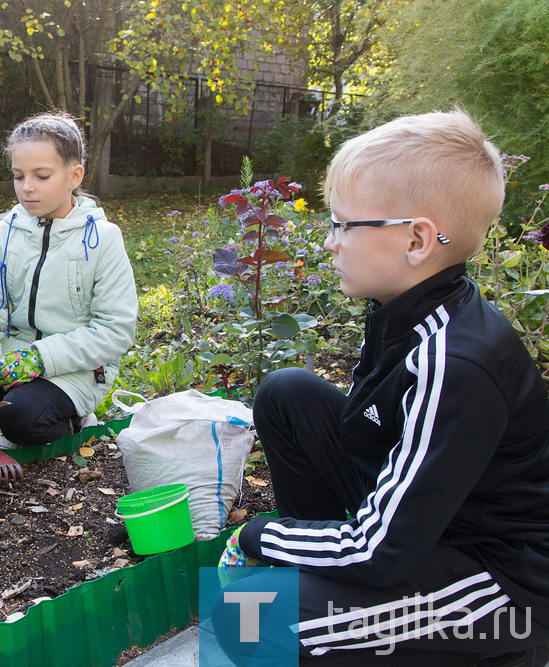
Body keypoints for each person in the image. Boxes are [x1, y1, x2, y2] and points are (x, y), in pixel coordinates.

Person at [212, 110, 549, 665]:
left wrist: (259, 535)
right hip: (426, 527)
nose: (328, 242)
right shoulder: (403, 310)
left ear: (417, 240)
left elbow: (381, 549)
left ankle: (498, 651)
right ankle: (340, 608)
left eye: (344, 225)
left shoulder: (455, 362)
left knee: (249, 617)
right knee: (287, 393)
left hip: (500, 577)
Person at [0, 112, 137, 454]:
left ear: (74, 176)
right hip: (8, 356)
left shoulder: (103, 238)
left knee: (20, 419)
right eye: (18, 176)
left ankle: (76, 418)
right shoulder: (5, 232)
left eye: (41, 176)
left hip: (74, 368)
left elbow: (115, 332)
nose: (26, 187)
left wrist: (40, 359)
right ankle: (0, 398)